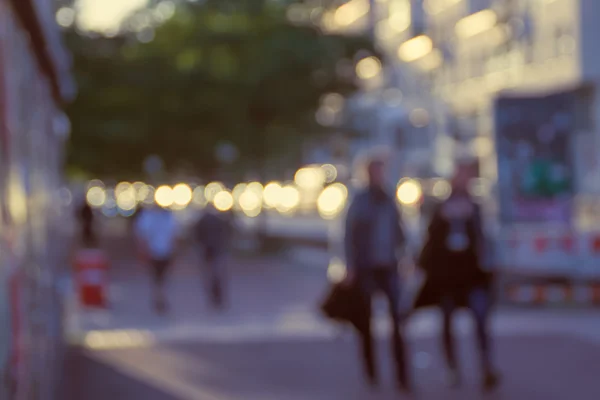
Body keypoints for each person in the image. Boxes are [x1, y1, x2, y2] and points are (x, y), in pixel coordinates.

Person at [417, 164, 500, 391]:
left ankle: (486, 367)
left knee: (481, 320)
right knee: (446, 322)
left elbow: (483, 239)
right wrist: (444, 219)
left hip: (472, 276)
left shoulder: (475, 207)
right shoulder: (440, 207)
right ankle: (452, 368)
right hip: (447, 278)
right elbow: (431, 240)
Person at [343, 156, 411, 392]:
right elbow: (349, 234)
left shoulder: (389, 199)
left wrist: (404, 255)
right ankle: (371, 373)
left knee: (398, 322)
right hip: (367, 267)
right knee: (366, 323)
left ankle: (403, 376)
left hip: (388, 265)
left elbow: (400, 230)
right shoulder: (360, 201)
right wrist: (350, 265)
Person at [134, 204, 179, 313]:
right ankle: (159, 297)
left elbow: (173, 235)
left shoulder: (166, 217)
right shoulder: (150, 217)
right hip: (155, 252)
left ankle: (160, 297)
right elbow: (142, 236)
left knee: (160, 277)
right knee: (157, 277)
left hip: (163, 252)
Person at [194, 203, 233, 309]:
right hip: (216, 251)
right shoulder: (219, 220)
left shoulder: (202, 220)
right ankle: (217, 298)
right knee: (217, 276)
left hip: (210, 252)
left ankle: (214, 298)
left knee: (211, 276)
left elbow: (197, 236)